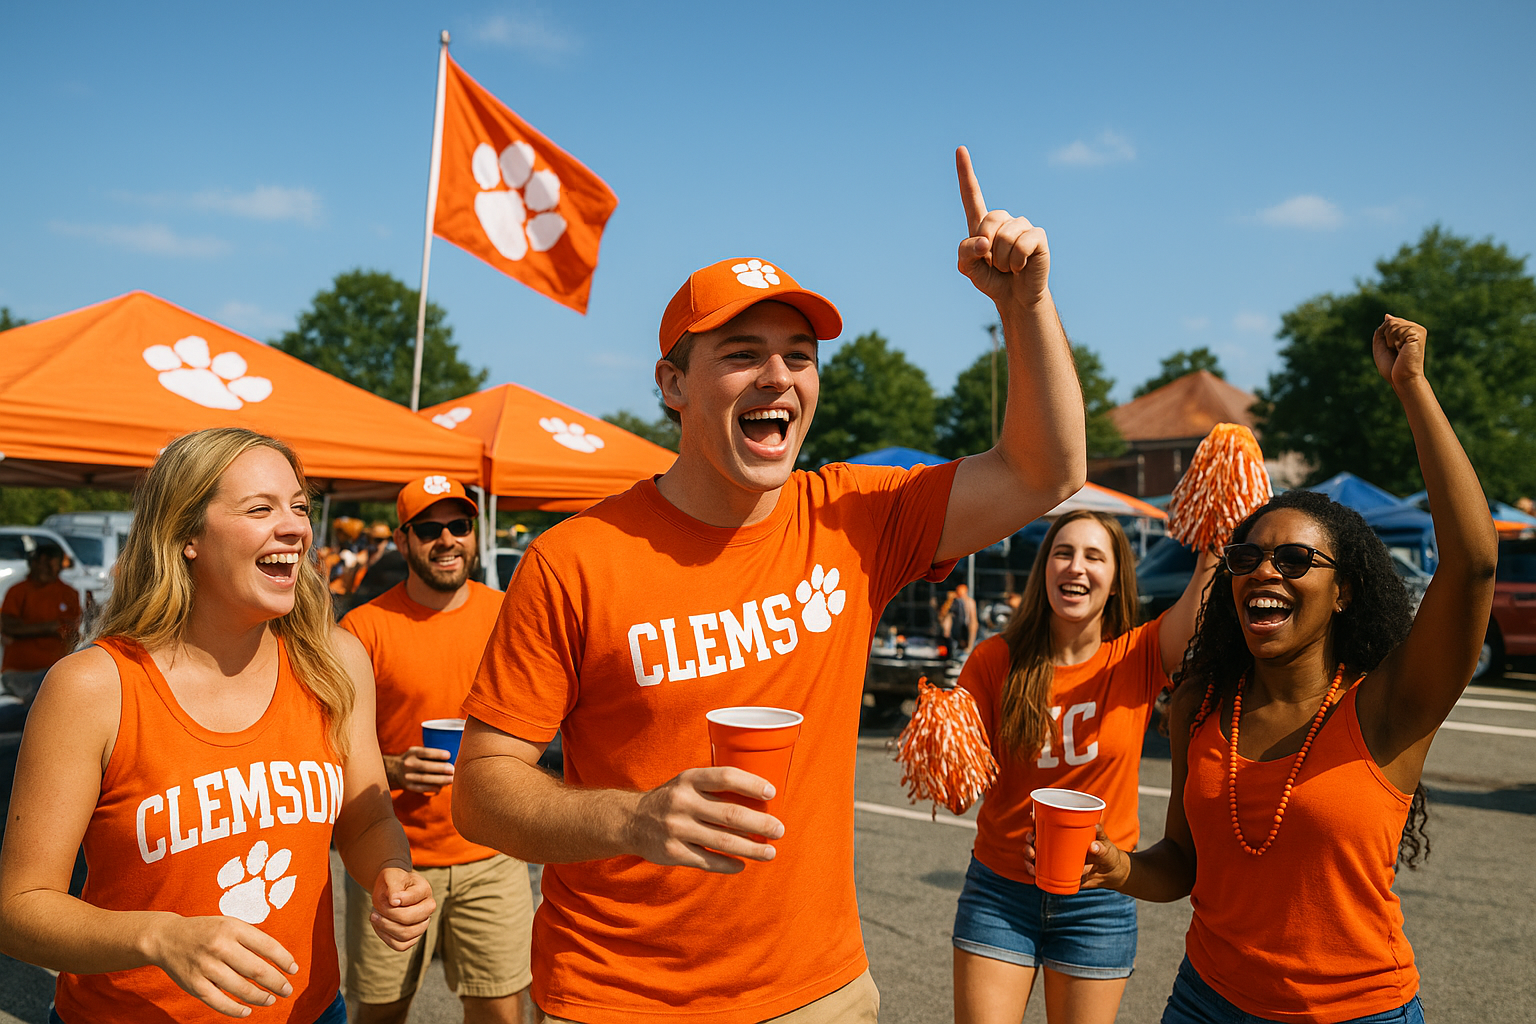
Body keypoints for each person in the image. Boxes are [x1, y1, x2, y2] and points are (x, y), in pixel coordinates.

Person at [451, 147, 1088, 1022]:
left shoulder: (854, 518)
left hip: (819, 993)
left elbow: (1047, 472)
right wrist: (633, 820)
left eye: (800, 355)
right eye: (742, 353)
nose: (779, 377)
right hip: (620, 998)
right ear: (673, 385)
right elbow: (482, 790)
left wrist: (1025, 307)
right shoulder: (576, 559)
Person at [1068, 316, 1495, 1023]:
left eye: (1295, 559)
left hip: (1358, 1012)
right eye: (1247, 557)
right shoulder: (1201, 699)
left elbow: (1473, 564)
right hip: (1206, 1003)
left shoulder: (1388, 706)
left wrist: (1413, 388)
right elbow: (1184, 863)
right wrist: (1120, 867)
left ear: (1344, 591)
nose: (1265, 570)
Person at [0, 427, 435, 1023]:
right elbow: (20, 908)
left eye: (299, 506)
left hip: (310, 1011)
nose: (295, 527)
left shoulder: (335, 661)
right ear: (186, 536)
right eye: (261, 509)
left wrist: (391, 874)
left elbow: (367, 822)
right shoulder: (94, 687)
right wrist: (160, 937)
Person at [951, 510, 1217, 1024]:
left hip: (1099, 899)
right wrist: (939, 749)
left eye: (1094, 557)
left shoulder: (1139, 653)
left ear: (1116, 581)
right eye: (1063, 553)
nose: (1076, 566)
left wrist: (1214, 539)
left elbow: (1199, 609)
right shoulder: (994, 659)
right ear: (1044, 570)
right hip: (1000, 892)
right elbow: (958, 786)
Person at [339, 475, 534, 1024]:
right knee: (381, 1012)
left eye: (459, 525)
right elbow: (332, 749)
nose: (447, 539)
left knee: (501, 1012)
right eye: (428, 529)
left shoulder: (510, 612)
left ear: (474, 535)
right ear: (402, 541)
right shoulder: (362, 629)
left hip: (493, 850)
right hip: (393, 858)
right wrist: (396, 768)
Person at [1, 540, 81, 707]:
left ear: (59, 567)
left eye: (51, 564)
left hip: (56, 670)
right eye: (42, 563)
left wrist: (25, 628)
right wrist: (49, 627)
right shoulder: (18, 591)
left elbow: (72, 630)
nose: (46, 569)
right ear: (33, 564)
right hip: (20, 672)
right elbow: (7, 626)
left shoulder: (68, 593)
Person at [947, 581, 979, 653]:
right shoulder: (954, 602)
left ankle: (970, 646)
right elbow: (947, 614)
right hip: (956, 625)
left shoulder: (970, 602)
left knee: (973, 625)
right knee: (947, 621)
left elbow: (973, 617)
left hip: (967, 624)